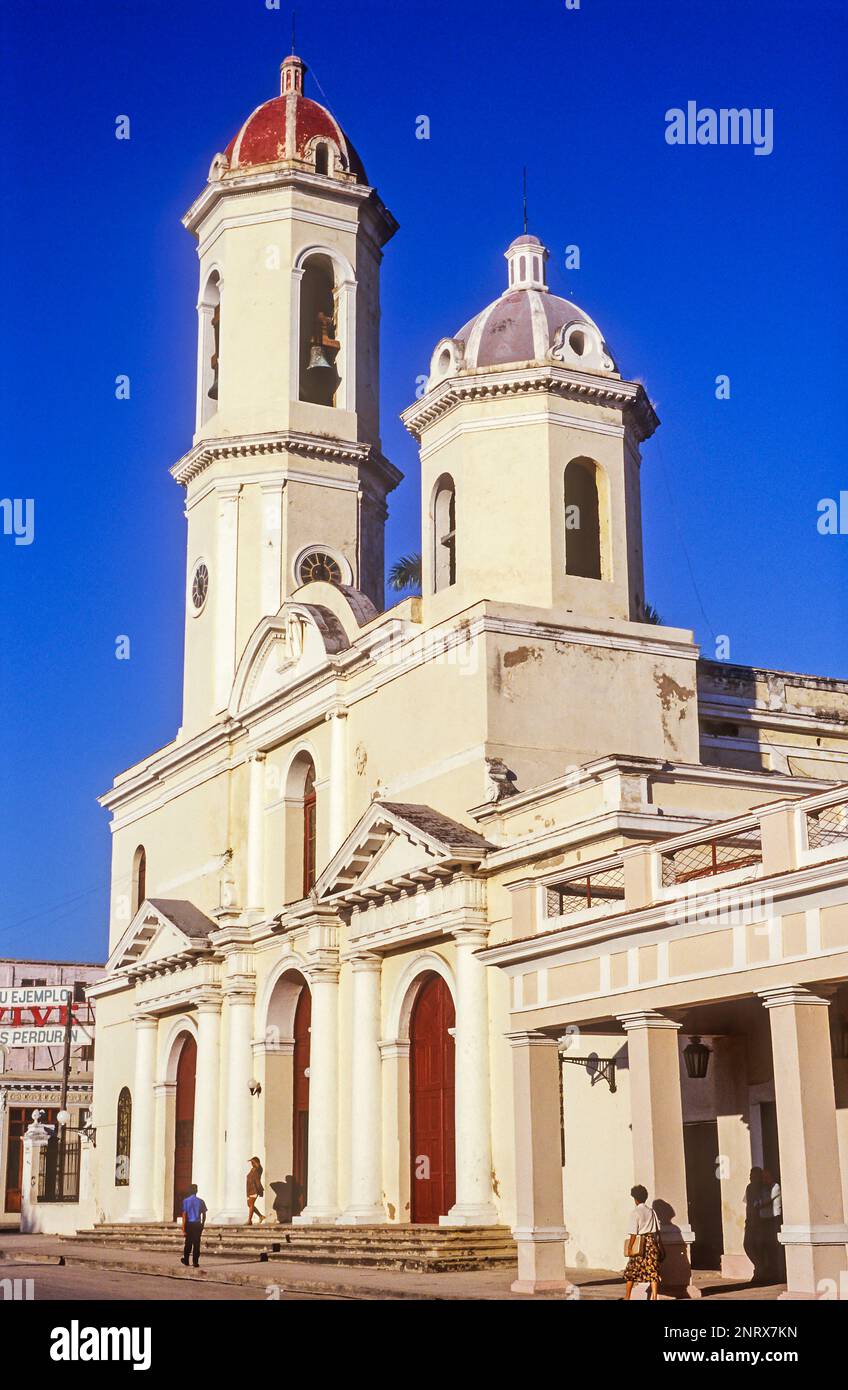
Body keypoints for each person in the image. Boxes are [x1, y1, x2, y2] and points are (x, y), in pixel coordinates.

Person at [623, 1184, 663, 1300]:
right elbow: (657, 1230)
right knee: (653, 1272)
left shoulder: (635, 1212)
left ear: (635, 1199)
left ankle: (627, 1296)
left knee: (631, 1272)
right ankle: (654, 1297)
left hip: (640, 1244)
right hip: (652, 1243)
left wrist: (630, 1247)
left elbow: (633, 1233)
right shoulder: (651, 1211)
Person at [757, 1168, 784, 1282]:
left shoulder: (775, 1187)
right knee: (766, 1246)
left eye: (766, 1177)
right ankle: (769, 1271)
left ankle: (778, 1272)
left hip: (774, 1219)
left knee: (774, 1245)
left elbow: (764, 1202)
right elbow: (756, 1202)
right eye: (763, 1177)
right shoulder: (762, 1189)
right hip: (764, 1220)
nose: (764, 1180)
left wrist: (759, 1204)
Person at [743, 1166, 766, 1282]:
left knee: (759, 1246)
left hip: (760, 1221)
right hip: (750, 1220)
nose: (751, 1177)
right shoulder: (749, 1187)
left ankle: (760, 1271)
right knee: (747, 1244)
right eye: (750, 1175)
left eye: (753, 1175)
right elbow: (748, 1204)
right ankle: (759, 1267)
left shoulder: (764, 1188)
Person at [180, 1183, 207, 1268]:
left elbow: (184, 1215)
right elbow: (204, 1214)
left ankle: (186, 1260)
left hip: (189, 1224)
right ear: (196, 1191)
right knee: (196, 1243)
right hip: (197, 1224)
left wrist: (183, 1228)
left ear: (189, 1191)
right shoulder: (201, 1201)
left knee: (188, 1243)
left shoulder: (186, 1201)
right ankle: (195, 1262)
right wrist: (202, 1224)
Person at [247, 1155, 266, 1224]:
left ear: (256, 1162)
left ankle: (249, 1220)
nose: (251, 1164)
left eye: (253, 1162)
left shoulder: (259, 1169)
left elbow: (258, 1166)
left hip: (255, 1188)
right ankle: (261, 1216)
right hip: (250, 1189)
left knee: (251, 1204)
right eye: (251, 1162)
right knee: (249, 1204)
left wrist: (256, 1162)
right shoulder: (253, 1169)